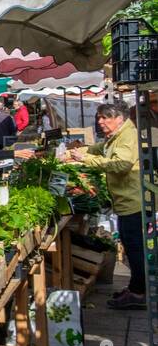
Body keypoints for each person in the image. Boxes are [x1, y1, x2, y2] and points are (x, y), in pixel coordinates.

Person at [64, 104, 143, 309]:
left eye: (104, 118)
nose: (100, 122)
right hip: (124, 200)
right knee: (129, 244)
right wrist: (76, 150)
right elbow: (98, 149)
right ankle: (135, 287)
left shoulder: (128, 136)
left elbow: (121, 164)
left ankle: (138, 293)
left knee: (134, 247)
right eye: (99, 118)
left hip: (133, 200)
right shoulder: (116, 136)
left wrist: (85, 158)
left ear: (118, 118)